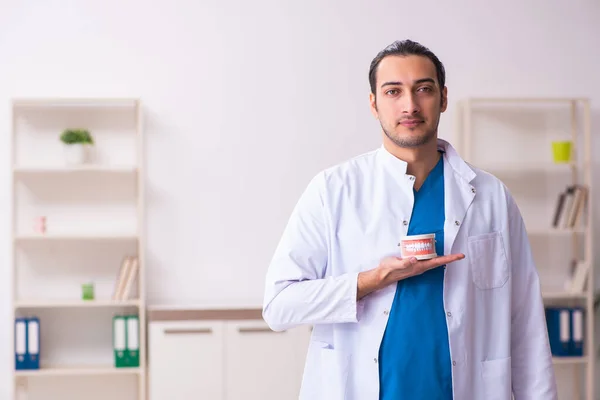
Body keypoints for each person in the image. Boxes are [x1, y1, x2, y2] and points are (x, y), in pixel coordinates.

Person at [262, 39, 558, 400]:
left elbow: (525, 319)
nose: (410, 105)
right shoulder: (333, 190)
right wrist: (373, 279)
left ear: (443, 98)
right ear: (373, 103)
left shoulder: (491, 195)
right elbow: (279, 305)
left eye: (424, 89)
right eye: (393, 91)